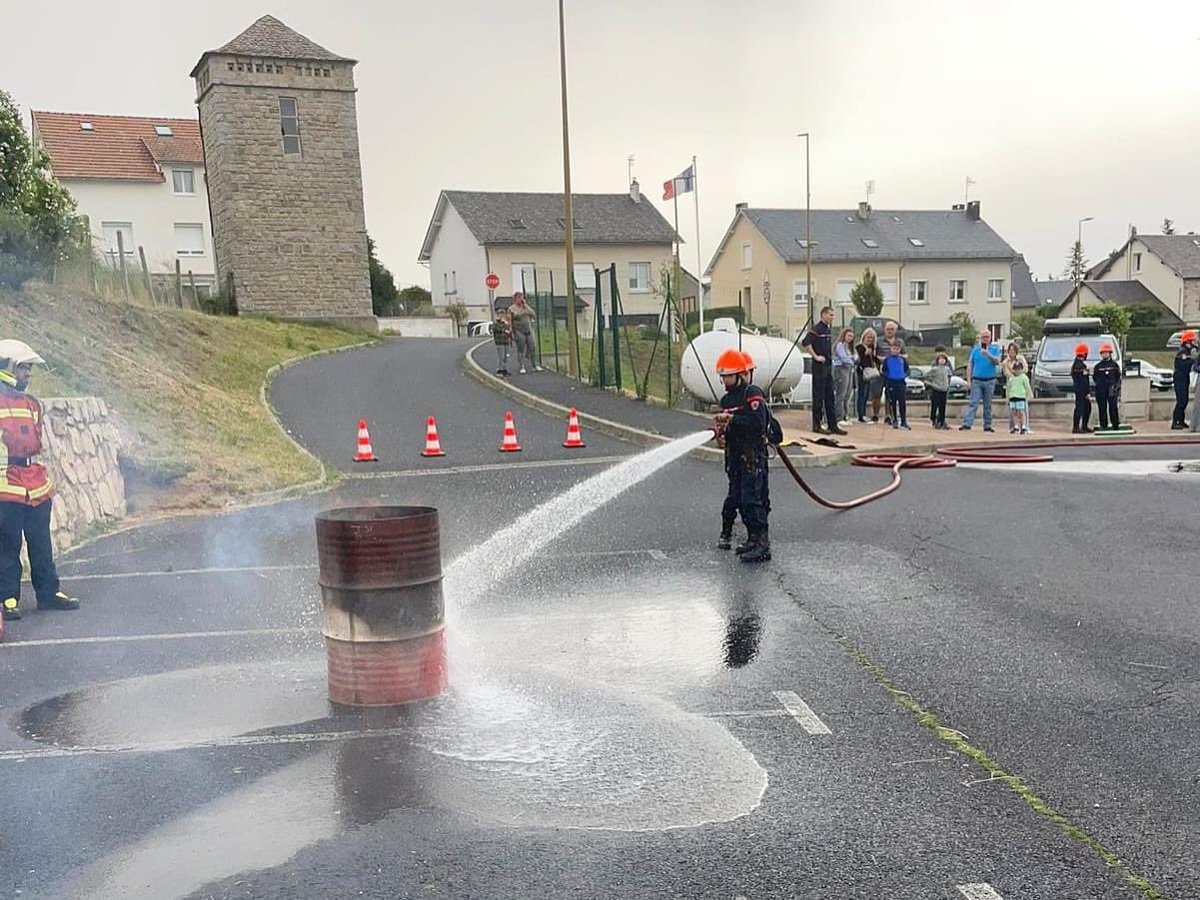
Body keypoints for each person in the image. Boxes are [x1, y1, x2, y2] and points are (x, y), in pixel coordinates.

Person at [0, 340, 79, 631]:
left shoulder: (33, 404)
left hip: (35, 483)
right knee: (8, 545)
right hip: (6, 484)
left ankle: (48, 592)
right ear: (7, 368)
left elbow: (38, 445)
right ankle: (8, 598)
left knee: (41, 542)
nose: (27, 374)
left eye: (29, 369)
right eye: (23, 368)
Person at [713, 349, 771, 563]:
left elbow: (757, 423)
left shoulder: (751, 392)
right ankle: (752, 540)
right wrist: (722, 431)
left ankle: (762, 544)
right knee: (737, 497)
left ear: (739, 375)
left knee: (752, 499)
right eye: (722, 376)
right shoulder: (726, 399)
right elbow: (731, 426)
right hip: (735, 456)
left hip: (752, 455)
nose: (724, 380)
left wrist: (731, 420)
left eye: (728, 375)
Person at [801, 307, 844, 435]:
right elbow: (806, 342)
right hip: (819, 367)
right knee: (818, 396)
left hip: (828, 366)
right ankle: (817, 424)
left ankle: (832, 425)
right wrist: (815, 356)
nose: (832, 317)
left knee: (830, 396)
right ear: (823, 315)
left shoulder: (827, 329)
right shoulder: (817, 329)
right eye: (830, 315)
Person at [959, 329, 1002, 432]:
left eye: (987, 337)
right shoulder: (975, 349)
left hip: (990, 380)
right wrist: (968, 380)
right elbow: (970, 364)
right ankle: (967, 423)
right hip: (977, 380)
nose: (985, 339)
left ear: (990, 338)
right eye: (983, 337)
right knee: (973, 402)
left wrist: (987, 354)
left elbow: (997, 361)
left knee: (988, 404)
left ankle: (987, 425)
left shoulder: (994, 348)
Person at [855, 327, 883, 423]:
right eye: (868, 337)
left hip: (869, 373)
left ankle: (863, 414)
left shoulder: (871, 349)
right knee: (862, 393)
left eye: (871, 338)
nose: (869, 339)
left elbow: (875, 359)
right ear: (864, 337)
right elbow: (858, 360)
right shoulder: (860, 347)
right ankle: (860, 415)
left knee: (866, 394)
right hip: (862, 372)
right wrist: (865, 354)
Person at [507, 292, 540, 374]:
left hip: (528, 329)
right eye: (518, 298)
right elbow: (510, 320)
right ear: (515, 299)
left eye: (521, 297)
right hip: (519, 330)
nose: (520, 299)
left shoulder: (525, 307)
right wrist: (511, 331)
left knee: (532, 346)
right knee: (521, 348)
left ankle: (535, 365)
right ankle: (522, 366)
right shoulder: (511, 309)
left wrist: (526, 306)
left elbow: (533, 314)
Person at [1093, 342, 1121, 430]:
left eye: (1106, 352)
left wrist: (1115, 386)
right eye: (1103, 353)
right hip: (1101, 389)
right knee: (1102, 408)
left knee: (1113, 407)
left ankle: (1115, 424)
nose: (1105, 354)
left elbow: (1117, 376)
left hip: (1111, 389)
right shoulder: (1098, 366)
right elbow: (1095, 377)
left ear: (1110, 353)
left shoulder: (1114, 365)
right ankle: (1103, 425)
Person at [881, 343, 910, 430]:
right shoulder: (887, 359)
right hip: (891, 383)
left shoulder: (902, 359)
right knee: (892, 402)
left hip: (901, 383)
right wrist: (889, 377)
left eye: (897, 349)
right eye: (894, 348)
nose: (895, 350)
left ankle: (903, 421)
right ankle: (894, 420)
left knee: (902, 402)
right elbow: (883, 371)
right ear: (890, 349)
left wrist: (904, 375)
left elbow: (907, 369)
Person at [1171, 330, 1196, 429]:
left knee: (1184, 400)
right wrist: (1193, 361)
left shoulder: (1186, 351)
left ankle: (1181, 421)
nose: (1193, 344)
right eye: (1192, 341)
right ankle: (1175, 422)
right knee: (1181, 400)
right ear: (1187, 342)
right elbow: (1185, 364)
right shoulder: (1182, 352)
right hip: (1179, 378)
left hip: (1184, 378)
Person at [924, 347, 953, 430]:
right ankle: (934, 419)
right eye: (940, 359)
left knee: (942, 406)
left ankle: (942, 421)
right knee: (935, 405)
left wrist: (948, 385)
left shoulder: (947, 369)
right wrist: (930, 384)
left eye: (943, 359)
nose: (942, 360)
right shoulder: (935, 369)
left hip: (944, 389)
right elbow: (926, 376)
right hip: (936, 389)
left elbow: (950, 376)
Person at [832, 327, 856, 427]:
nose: (850, 338)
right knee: (841, 394)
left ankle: (845, 415)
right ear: (844, 335)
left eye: (852, 336)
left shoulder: (849, 347)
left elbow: (856, 356)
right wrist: (851, 360)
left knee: (847, 394)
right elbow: (844, 358)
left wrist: (852, 359)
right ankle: (839, 417)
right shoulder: (840, 345)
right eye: (849, 336)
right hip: (841, 369)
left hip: (850, 369)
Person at [1071, 342, 1092, 434]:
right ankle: (1078, 427)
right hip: (1081, 391)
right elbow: (1084, 381)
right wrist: (1086, 392)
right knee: (1081, 408)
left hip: (1079, 390)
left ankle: (1083, 426)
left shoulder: (1076, 365)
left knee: (1084, 407)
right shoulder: (1080, 366)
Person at [1007, 357, 1032, 434]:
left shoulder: (1024, 377)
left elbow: (1027, 386)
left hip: (1020, 396)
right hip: (1013, 396)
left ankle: (1023, 425)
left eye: (1019, 369)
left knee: (1021, 412)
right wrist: (1008, 397)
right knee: (1013, 412)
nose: (1017, 370)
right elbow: (1008, 388)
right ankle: (1015, 426)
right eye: (1016, 369)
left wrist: (1029, 394)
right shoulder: (1011, 378)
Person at [492, 307, 512, 376]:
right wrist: (504, 329)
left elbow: (509, 329)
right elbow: (496, 329)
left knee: (506, 356)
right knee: (501, 356)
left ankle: (504, 369)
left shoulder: (506, 323)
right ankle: (500, 369)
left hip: (506, 341)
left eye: (503, 314)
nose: (501, 316)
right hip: (499, 341)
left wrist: (508, 327)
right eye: (500, 314)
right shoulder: (496, 323)